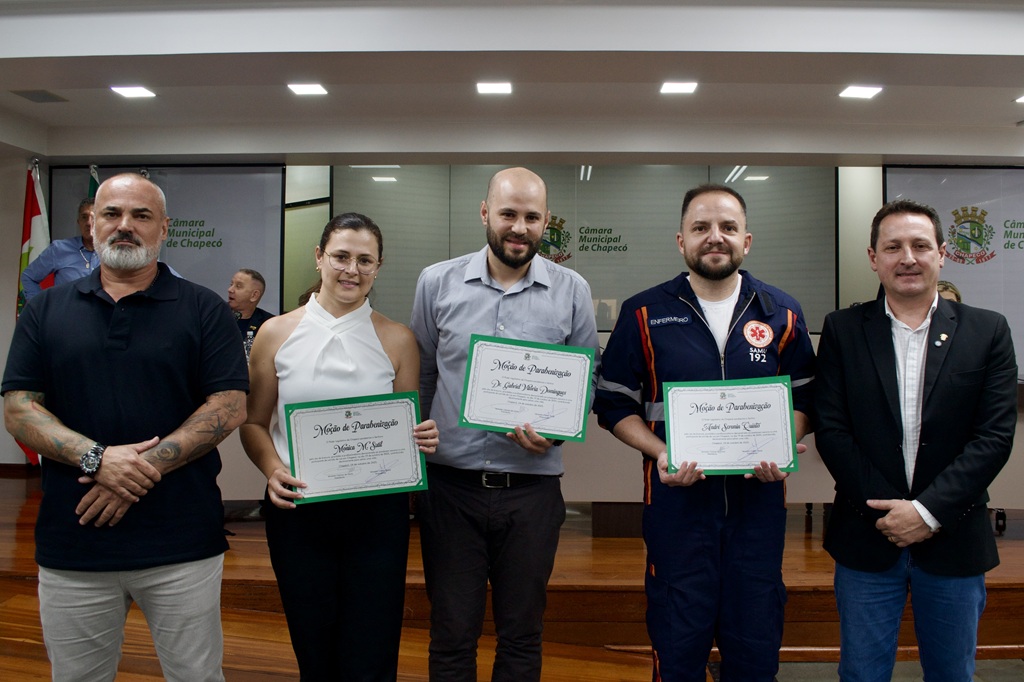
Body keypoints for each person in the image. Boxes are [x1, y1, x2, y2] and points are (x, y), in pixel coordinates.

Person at [2, 173, 249, 681]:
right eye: (112, 214)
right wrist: (99, 458)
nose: (125, 226)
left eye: (141, 216)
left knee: (197, 676)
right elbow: (20, 409)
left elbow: (228, 406)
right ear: (91, 225)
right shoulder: (45, 310)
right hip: (73, 543)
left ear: (164, 229)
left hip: (182, 545)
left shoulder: (204, 309)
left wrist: (133, 468)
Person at [593, 183, 815, 682]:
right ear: (681, 241)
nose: (715, 237)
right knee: (677, 649)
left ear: (747, 240)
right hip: (676, 509)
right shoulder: (643, 313)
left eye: (728, 227)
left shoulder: (782, 313)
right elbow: (612, 404)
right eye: (701, 228)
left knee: (755, 652)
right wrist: (660, 452)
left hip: (759, 510)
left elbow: (806, 399)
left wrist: (785, 443)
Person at [410, 167, 600, 681]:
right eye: (509, 214)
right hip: (451, 489)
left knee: (522, 633)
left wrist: (557, 431)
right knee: (451, 632)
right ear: (485, 213)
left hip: (532, 493)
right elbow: (423, 372)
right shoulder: (437, 281)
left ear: (546, 223)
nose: (519, 227)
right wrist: (417, 440)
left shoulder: (572, 290)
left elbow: (586, 381)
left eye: (532, 217)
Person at [815, 199, 1016, 682]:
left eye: (920, 245)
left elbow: (994, 436)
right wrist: (891, 513)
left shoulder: (987, 330)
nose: (908, 257)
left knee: (952, 673)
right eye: (893, 246)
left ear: (942, 254)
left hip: (953, 538)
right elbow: (832, 428)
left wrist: (925, 513)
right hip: (867, 535)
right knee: (861, 673)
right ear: (873, 257)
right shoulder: (843, 329)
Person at [240, 212, 439, 681]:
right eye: (342, 257)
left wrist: (420, 438)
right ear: (319, 258)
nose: (352, 269)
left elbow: (404, 427)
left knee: (372, 642)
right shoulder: (275, 334)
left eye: (364, 260)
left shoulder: (398, 339)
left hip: (377, 515)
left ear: (379, 267)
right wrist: (272, 470)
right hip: (298, 509)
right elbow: (253, 423)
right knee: (313, 643)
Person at [20, 198, 99, 300]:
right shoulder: (60, 249)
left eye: (94, 217)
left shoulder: (112, 251)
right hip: (66, 314)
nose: (88, 222)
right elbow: (29, 277)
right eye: (84, 217)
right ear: (78, 222)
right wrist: (41, 307)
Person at [227, 268, 275, 358]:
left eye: (238, 286)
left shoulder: (269, 324)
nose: (230, 289)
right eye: (231, 284)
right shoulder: (215, 315)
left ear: (254, 295)